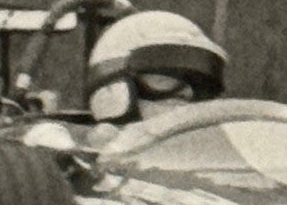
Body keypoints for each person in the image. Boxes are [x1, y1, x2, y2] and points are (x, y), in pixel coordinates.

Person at [84, 9, 226, 126]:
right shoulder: (76, 153)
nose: (187, 93)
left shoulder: (215, 156)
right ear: (115, 84)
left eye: (200, 85)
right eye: (167, 77)